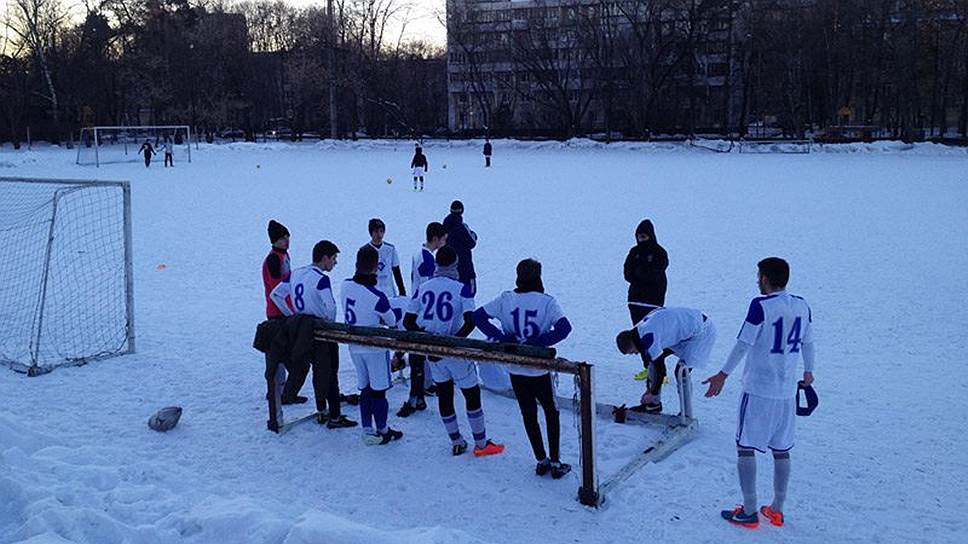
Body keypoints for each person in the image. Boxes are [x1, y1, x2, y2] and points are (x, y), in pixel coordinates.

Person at [702, 257, 815, 529]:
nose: (756, 281)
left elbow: (743, 343)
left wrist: (723, 374)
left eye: (758, 276)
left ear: (764, 278)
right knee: (782, 450)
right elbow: (809, 342)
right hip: (786, 392)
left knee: (745, 447)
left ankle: (750, 509)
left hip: (759, 390)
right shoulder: (802, 304)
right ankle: (777, 509)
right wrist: (809, 373)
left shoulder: (760, 305)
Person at [474, 259, 573, 479]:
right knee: (551, 412)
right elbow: (565, 328)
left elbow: (478, 316)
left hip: (516, 369)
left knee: (528, 414)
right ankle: (556, 462)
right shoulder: (547, 302)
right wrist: (538, 343)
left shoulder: (506, 298)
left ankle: (541, 460)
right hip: (539, 370)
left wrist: (502, 338)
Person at [404, 246, 505, 457]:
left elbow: (408, 321)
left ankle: (456, 441)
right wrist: (452, 344)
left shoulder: (423, 288)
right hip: (454, 353)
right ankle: (481, 443)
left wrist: (427, 341)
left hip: (433, 354)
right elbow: (470, 321)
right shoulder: (462, 288)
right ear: (454, 265)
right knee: (471, 394)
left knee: (445, 394)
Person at [270, 240, 358, 429]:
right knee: (329, 373)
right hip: (321, 332)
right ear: (325, 258)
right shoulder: (321, 279)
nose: (335, 263)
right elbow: (331, 307)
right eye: (333, 258)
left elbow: (275, 295)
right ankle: (334, 416)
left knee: (317, 372)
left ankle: (321, 410)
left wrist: (292, 316)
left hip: (302, 330)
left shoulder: (296, 274)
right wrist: (330, 325)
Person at [340, 245, 404, 445]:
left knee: (365, 389)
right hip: (374, 350)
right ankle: (383, 430)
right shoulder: (377, 297)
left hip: (354, 348)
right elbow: (392, 320)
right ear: (376, 267)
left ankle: (367, 429)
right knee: (379, 391)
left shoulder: (345, 285)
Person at [615, 306, 717, 413]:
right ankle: (654, 405)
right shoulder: (638, 331)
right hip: (684, 330)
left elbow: (661, 370)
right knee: (652, 365)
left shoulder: (648, 337)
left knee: (681, 371)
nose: (635, 354)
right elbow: (649, 360)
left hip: (702, 331)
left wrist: (652, 392)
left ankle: (687, 413)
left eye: (632, 352)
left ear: (632, 343)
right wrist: (649, 389)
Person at [397, 222, 449, 417]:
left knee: (418, 356)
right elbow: (428, 288)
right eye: (443, 238)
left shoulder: (419, 253)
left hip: (416, 308)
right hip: (421, 313)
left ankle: (420, 392)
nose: (445, 242)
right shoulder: (427, 258)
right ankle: (416, 396)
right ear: (435, 238)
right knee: (419, 356)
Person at [623, 219, 669, 404]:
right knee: (639, 337)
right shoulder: (633, 253)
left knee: (654, 337)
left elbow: (655, 273)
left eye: (644, 236)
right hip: (635, 300)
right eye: (639, 236)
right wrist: (640, 274)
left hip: (653, 302)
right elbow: (627, 273)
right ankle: (646, 366)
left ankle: (660, 370)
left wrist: (640, 274)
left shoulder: (659, 252)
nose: (641, 239)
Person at [366, 218, 408, 373]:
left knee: (397, 328)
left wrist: (402, 292)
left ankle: (397, 360)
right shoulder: (365, 250)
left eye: (381, 231)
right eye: (376, 231)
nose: (379, 234)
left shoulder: (390, 249)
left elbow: (396, 270)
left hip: (390, 294)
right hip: (374, 295)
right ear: (371, 232)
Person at [442, 200, 478, 296]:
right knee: (469, 293)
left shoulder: (444, 226)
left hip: (449, 269)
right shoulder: (462, 227)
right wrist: (473, 234)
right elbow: (472, 242)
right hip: (465, 267)